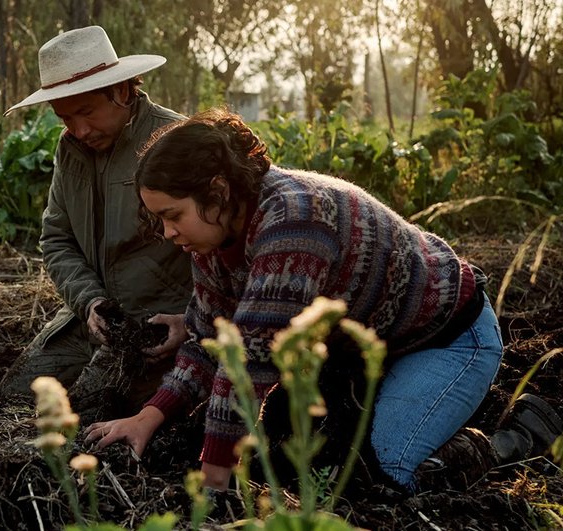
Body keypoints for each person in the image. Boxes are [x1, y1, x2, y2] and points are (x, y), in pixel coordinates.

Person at [85, 108, 562, 494]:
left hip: (447, 339)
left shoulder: (293, 221)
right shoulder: (214, 234)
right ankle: (412, 405)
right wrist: (149, 416)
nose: (168, 233)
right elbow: (209, 338)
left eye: (173, 216)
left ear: (218, 191)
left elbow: (250, 361)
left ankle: (514, 437)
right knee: (292, 451)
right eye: (159, 219)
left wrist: (212, 489)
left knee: (386, 474)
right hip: (359, 349)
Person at [0, 26, 193, 411]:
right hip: (94, 318)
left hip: (157, 324)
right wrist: (89, 303)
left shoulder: (174, 139)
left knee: (88, 409)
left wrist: (193, 321)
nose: (79, 130)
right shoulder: (70, 149)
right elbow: (56, 238)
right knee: (16, 396)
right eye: (65, 117)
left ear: (122, 91)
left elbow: (222, 245)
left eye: (86, 112)